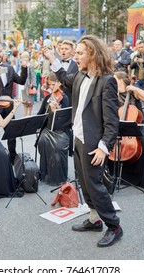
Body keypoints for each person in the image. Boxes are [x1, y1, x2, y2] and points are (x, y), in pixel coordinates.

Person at [43, 34, 122, 248]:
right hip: (78, 138)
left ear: (92, 54)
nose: (75, 57)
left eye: (79, 53)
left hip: (94, 144)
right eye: (75, 53)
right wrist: (53, 59)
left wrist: (103, 148)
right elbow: (66, 79)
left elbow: (112, 121)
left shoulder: (107, 81)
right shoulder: (79, 75)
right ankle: (95, 219)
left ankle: (114, 226)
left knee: (95, 186)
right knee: (85, 184)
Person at [109, 71, 144, 190]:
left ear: (124, 82)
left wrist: (135, 89)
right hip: (121, 124)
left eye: (117, 81)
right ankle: (115, 175)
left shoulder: (134, 93)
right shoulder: (112, 94)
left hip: (140, 124)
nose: (113, 83)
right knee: (110, 141)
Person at [37, 72, 70, 186]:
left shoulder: (64, 98)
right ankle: (46, 174)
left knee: (57, 146)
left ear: (59, 83)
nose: (50, 87)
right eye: (49, 85)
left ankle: (58, 177)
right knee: (42, 141)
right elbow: (40, 114)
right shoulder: (48, 97)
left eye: (52, 84)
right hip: (47, 130)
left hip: (61, 131)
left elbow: (66, 119)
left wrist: (56, 110)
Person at [20, 51, 36, 116]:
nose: (25, 58)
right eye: (23, 57)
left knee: (30, 102)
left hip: (30, 85)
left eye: (26, 57)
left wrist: (34, 85)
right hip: (24, 85)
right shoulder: (22, 66)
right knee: (25, 102)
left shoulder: (30, 66)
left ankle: (29, 115)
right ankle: (25, 115)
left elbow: (33, 75)